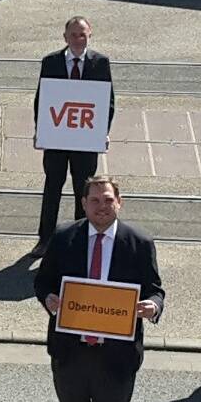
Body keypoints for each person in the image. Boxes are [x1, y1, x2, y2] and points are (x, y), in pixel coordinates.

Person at [32, 177, 165, 402]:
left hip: (116, 356)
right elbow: (42, 280)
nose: (101, 207)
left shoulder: (139, 242)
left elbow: (155, 289)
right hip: (71, 353)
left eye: (108, 200)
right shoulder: (64, 237)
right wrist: (48, 298)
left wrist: (152, 306)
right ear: (84, 202)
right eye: (95, 201)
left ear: (119, 203)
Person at [34, 15, 114, 247]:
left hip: (86, 139)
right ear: (65, 37)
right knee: (52, 188)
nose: (78, 39)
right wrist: (40, 130)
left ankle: (82, 240)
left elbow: (107, 101)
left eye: (82, 34)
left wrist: (102, 131)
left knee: (85, 190)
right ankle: (45, 239)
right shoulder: (51, 61)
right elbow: (42, 98)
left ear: (90, 35)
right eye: (73, 35)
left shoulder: (100, 62)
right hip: (57, 138)